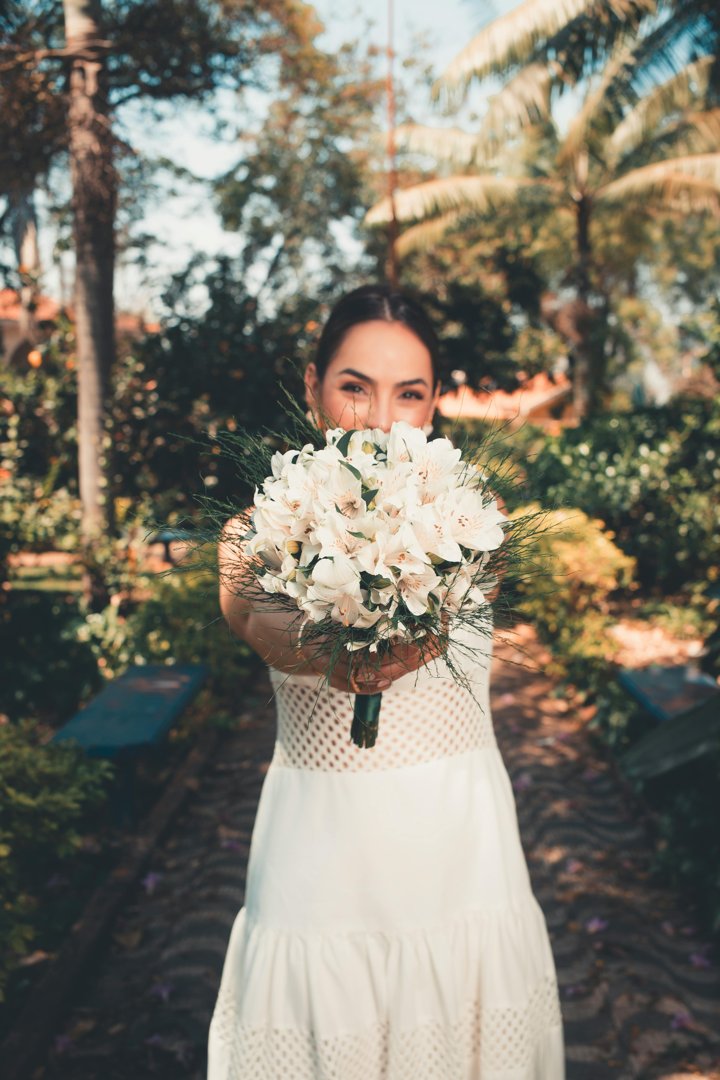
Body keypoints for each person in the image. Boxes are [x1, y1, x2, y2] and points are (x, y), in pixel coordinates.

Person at [207, 284, 565, 1078]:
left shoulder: (476, 520)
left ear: (436, 404)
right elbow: (273, 632)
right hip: (321, 855)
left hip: (456, 843)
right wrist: (339, 649)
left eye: (410, 394)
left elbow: (432, 629)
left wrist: (405, 631)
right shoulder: (250, 537)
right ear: (314, 389)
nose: (380, 420)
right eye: (354, 388)